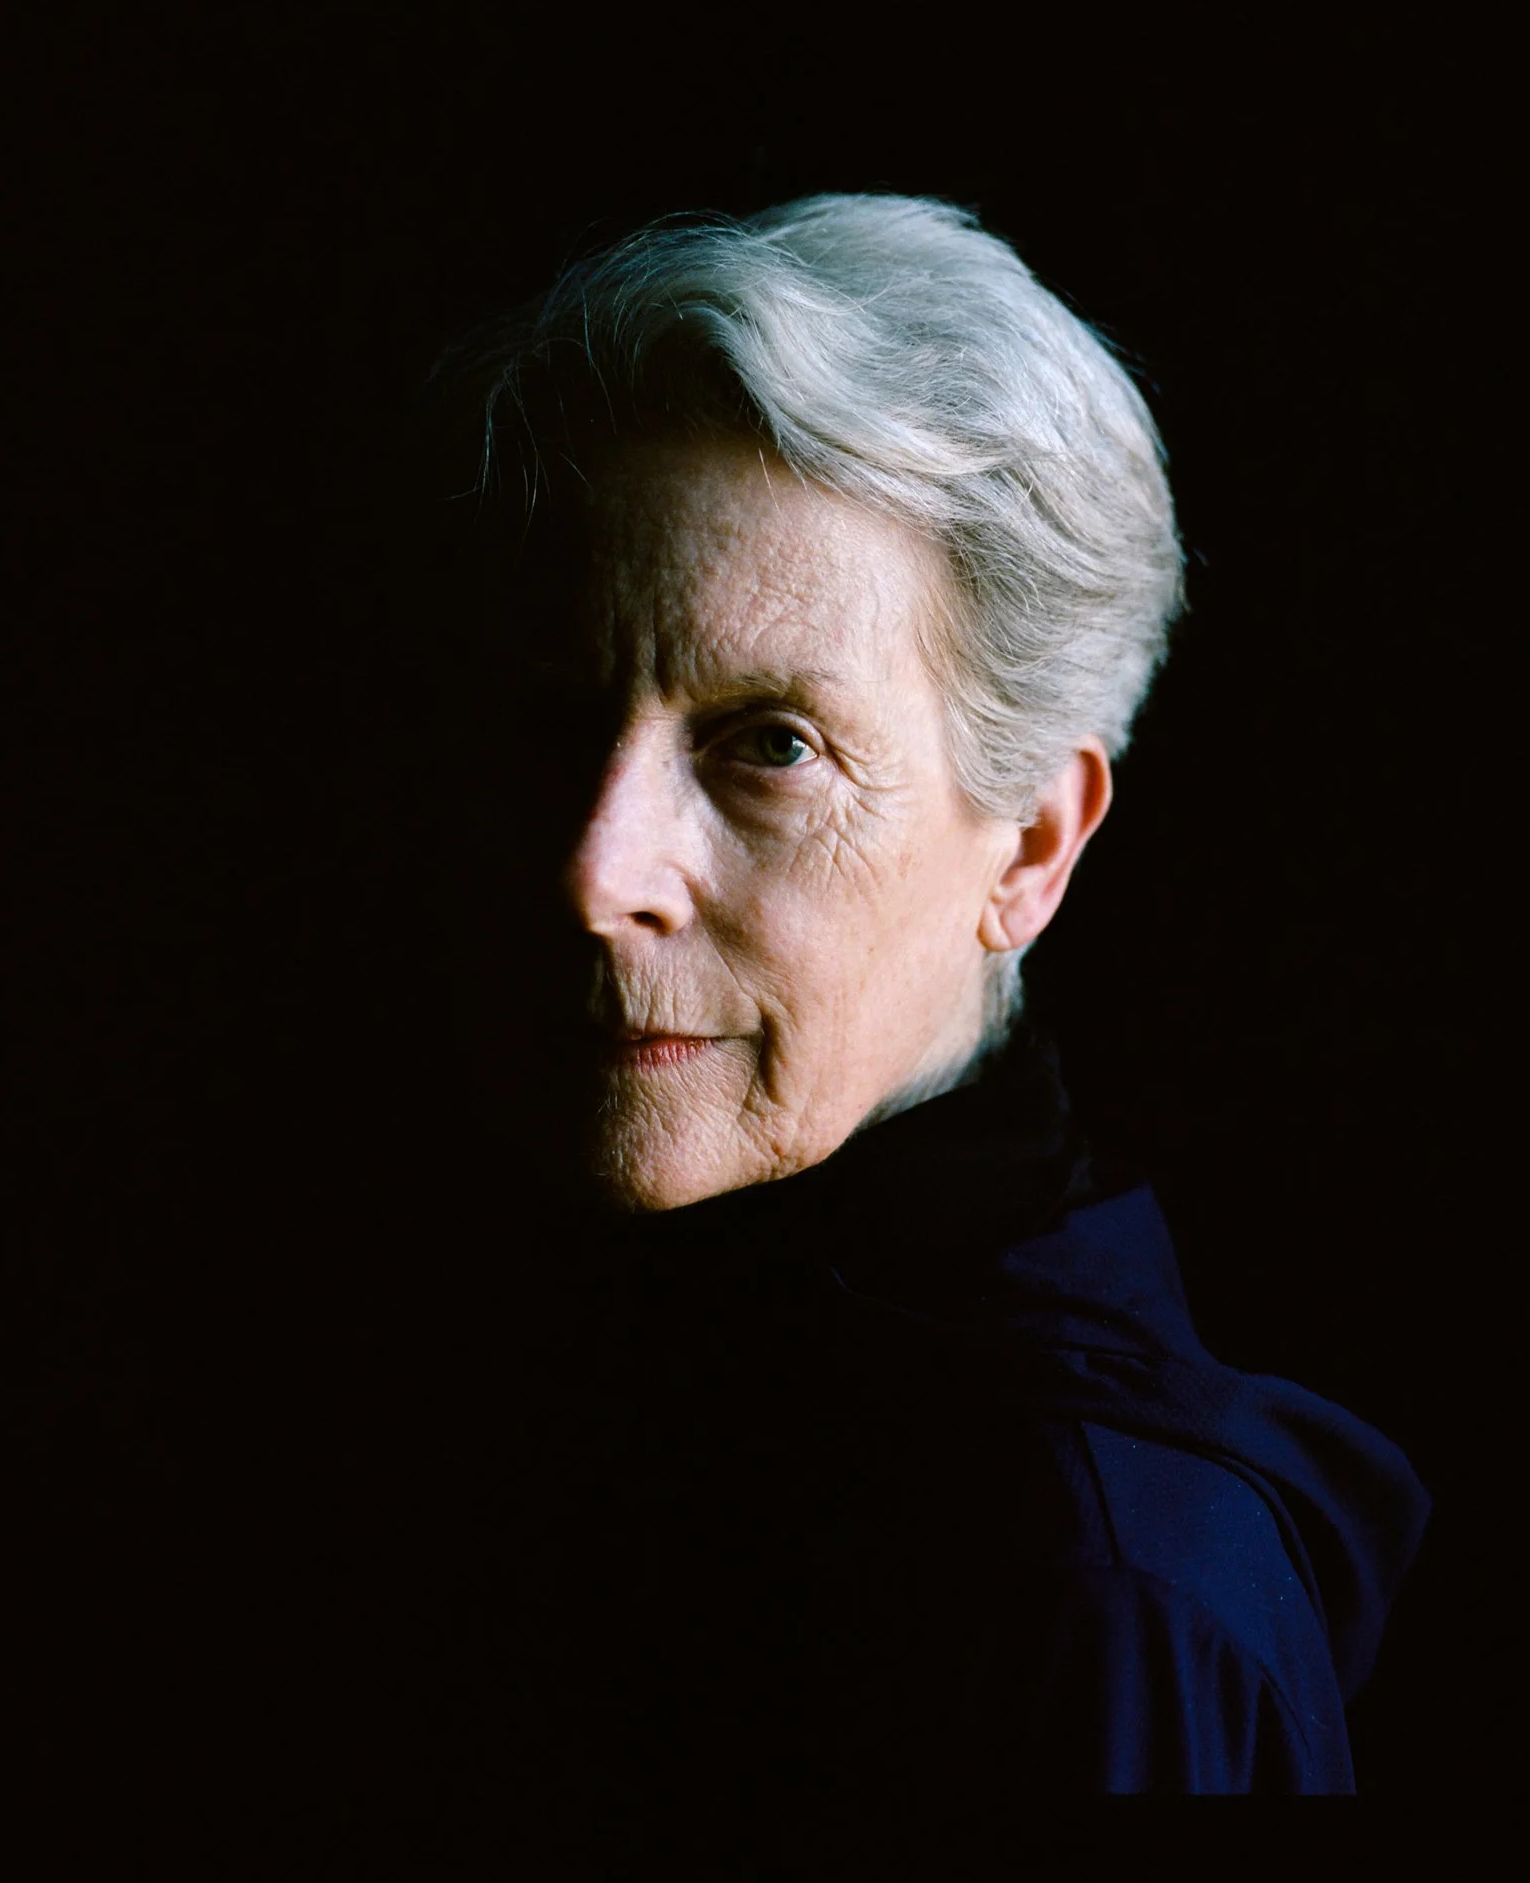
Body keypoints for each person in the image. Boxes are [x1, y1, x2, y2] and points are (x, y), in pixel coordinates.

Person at [418, 194, 1429, 1852]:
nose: (598, 872)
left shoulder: (1103, 1596)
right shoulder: (570, 1375)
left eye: (771, 745)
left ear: (1031, 845)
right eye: (553, 715)